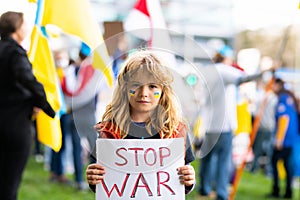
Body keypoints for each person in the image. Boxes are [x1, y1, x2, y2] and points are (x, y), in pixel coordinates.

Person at [85, 50, 196, 195]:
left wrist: (189, 180)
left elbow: (182, 179)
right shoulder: (109, 131)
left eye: (152, 86)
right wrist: (93, 178)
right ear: (125, 88)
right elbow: (102, 181)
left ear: (163, 90)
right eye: (136, 85)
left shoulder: (176, 130)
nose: (143, 93)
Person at [198, 45, 271, 200]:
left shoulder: (208, 71)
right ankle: (221, 193)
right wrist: (264, 72)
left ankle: (204, 189)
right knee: (223, 162)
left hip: (210, 125)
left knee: (207, 160)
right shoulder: (224, 70)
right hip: (224, 125)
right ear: (226, 58)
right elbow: (243, 78)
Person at [0, 11, 56, 200]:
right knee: (9, 184)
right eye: (24, 25)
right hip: (14, 126)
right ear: (16, 28)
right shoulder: (15, 52)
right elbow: (28, 80)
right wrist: (46, 106)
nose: (27, 28)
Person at [267, 78, 299, 199]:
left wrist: (279, 139)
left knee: (275, 161)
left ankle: (277, 190)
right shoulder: (289, 97)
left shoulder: (283, 98)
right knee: (287, 165)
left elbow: (283, 119)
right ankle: (288, 192)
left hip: (285, 138)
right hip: (292, 137)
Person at [250, 80, 278, 176]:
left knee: (257, 149)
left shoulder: (261, 97)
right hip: (270, 127)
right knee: (269, 151)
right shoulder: (275, 98)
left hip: (261, 126)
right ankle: (268, 171)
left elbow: (254, 113)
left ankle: (254, 168)